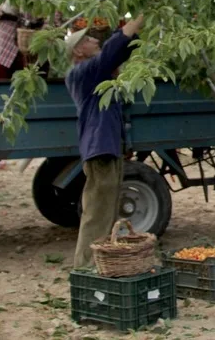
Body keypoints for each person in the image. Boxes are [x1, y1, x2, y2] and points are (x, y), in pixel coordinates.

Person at [66, 14, 146, 268]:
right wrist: (140, 18)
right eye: (89, 39)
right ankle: (85, 267)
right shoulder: (83, 72)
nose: (93, 40)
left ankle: (98, 265)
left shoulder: (95, 76)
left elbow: (119, 54)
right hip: (99, 149)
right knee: (97, 213)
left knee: (106, 211)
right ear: (79, 50)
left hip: (105, 148)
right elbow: (113, 50)